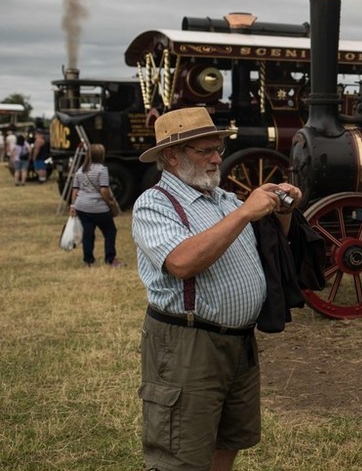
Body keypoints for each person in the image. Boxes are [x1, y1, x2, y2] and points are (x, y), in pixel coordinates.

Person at [131, 107, 301, 471]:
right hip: (186, 347)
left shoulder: (223, 199)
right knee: (180, 454)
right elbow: (182, 262)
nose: (216, 158)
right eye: (205, 151)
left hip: (238, 343)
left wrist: (282, 211)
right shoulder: (155, 204)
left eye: (218, 149)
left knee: (227, 440)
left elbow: (270, 248)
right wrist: (244, 213)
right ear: (172, 156)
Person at [69, 143, 121, 267]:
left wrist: (73, 205)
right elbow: (104, 190)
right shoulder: (102, 170)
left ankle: (88, 260)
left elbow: (75, 190)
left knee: (88, 233)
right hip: (98, 207)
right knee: (110, 231)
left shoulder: (80, 170)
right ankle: (110, 259)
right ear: (101, 155)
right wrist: (109, 202)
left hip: (81, 206)